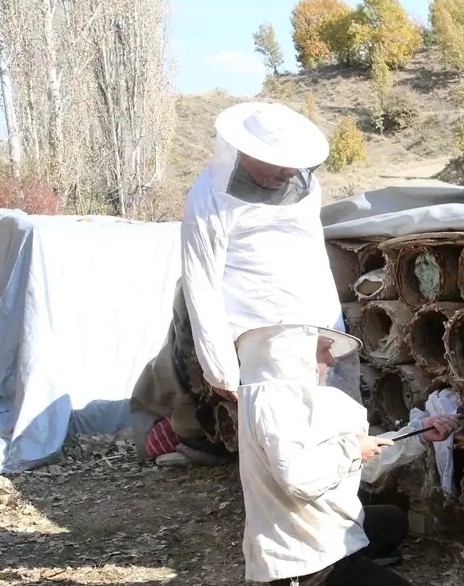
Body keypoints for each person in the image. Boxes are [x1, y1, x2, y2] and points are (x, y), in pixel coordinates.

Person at [131, 102, 344, 465]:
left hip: (303, 316)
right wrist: (220, 368)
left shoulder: (305, 187)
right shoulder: (208, 196)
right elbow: (201, 281)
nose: (288, 171)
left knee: (325, 412)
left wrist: (331, 331)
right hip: (249, 323)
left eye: (293, 162)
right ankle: (278, 500)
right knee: (274, 426)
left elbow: (313, 260)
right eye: (277, 161)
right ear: (248, 153)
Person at [235, 323, 457, 586]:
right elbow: (299, 479)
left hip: (314, 533)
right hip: (309, 559)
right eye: (323, 350)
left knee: (391, 521)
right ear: (292, 354)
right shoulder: (277, 406)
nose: (331, 360)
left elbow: (361, 463)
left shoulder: (285, 398)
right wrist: (352, 450)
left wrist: (419, 434)